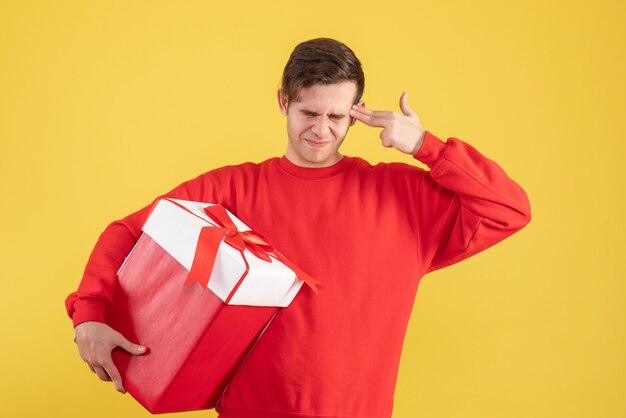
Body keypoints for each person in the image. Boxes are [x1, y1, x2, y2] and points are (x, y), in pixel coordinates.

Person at [65, 37, 531, 418]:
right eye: (309, 113)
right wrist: (89, 316)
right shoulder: (230, 189)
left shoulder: (404, 196)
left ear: (359, 111)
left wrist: (426, 146)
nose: (322, 130)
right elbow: (128, 232)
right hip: (249, 411)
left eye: (337, 115)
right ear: (283, 102)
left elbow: (508, 209)